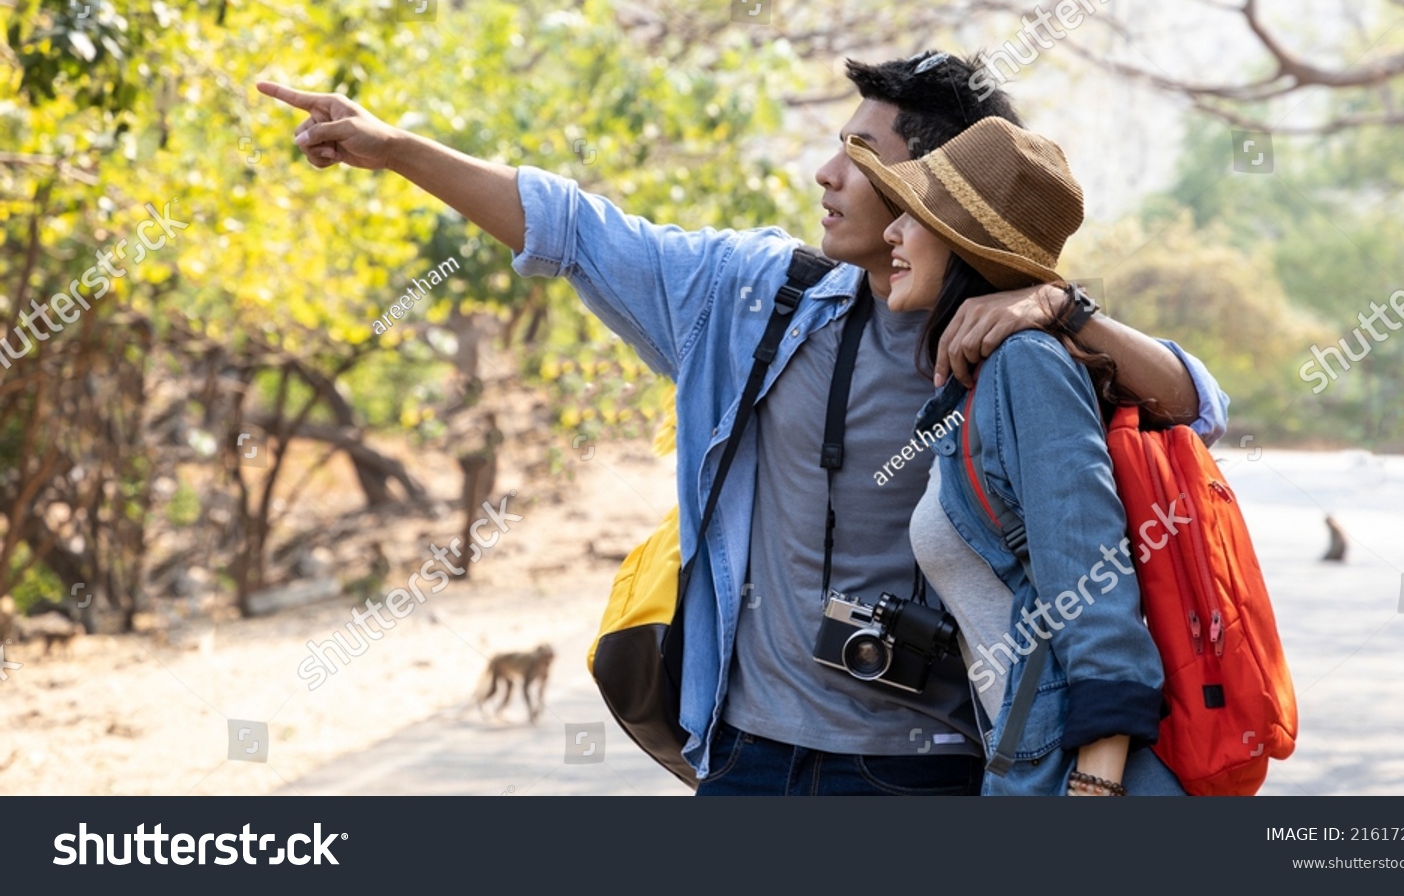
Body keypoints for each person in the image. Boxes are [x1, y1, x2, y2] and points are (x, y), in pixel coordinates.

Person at [257, 49, 1227, 794]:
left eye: (861, 155)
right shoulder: (756, 298)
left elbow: (1195, 407)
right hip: (751, 756)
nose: (826, 176)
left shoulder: (1008, 347)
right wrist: (397, 151)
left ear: (938, 188)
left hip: (926, 767)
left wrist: (1065, 310)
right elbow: (576, 229)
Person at [848, 113, 1186, 796]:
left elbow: (1095, 588)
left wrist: (1095, 787)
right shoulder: (980, 382)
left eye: (911, 215)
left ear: (960, 242)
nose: (891, 232)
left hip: (1074, 779)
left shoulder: (1026, 366)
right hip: (1027, 765)